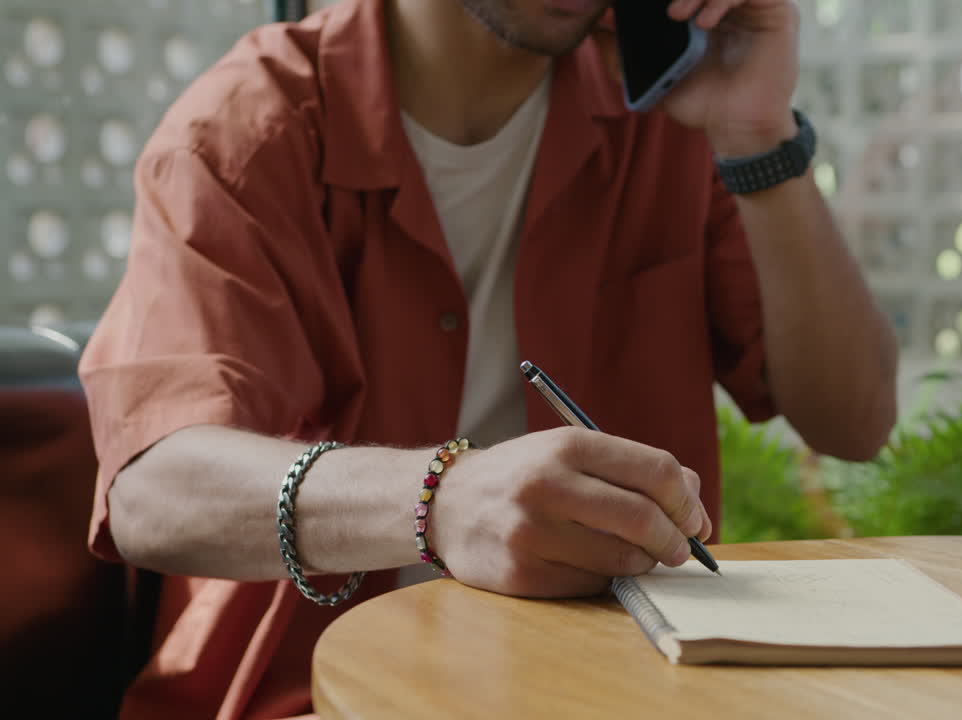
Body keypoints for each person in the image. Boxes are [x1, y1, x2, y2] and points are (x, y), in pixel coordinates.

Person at [79, 0, 897, 717]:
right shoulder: (244, 130)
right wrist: (440, 498)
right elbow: (154, 491)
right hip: (316, 695)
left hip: (615, 690)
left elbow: (855, 422)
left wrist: (757, 134)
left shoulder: (665, 109)